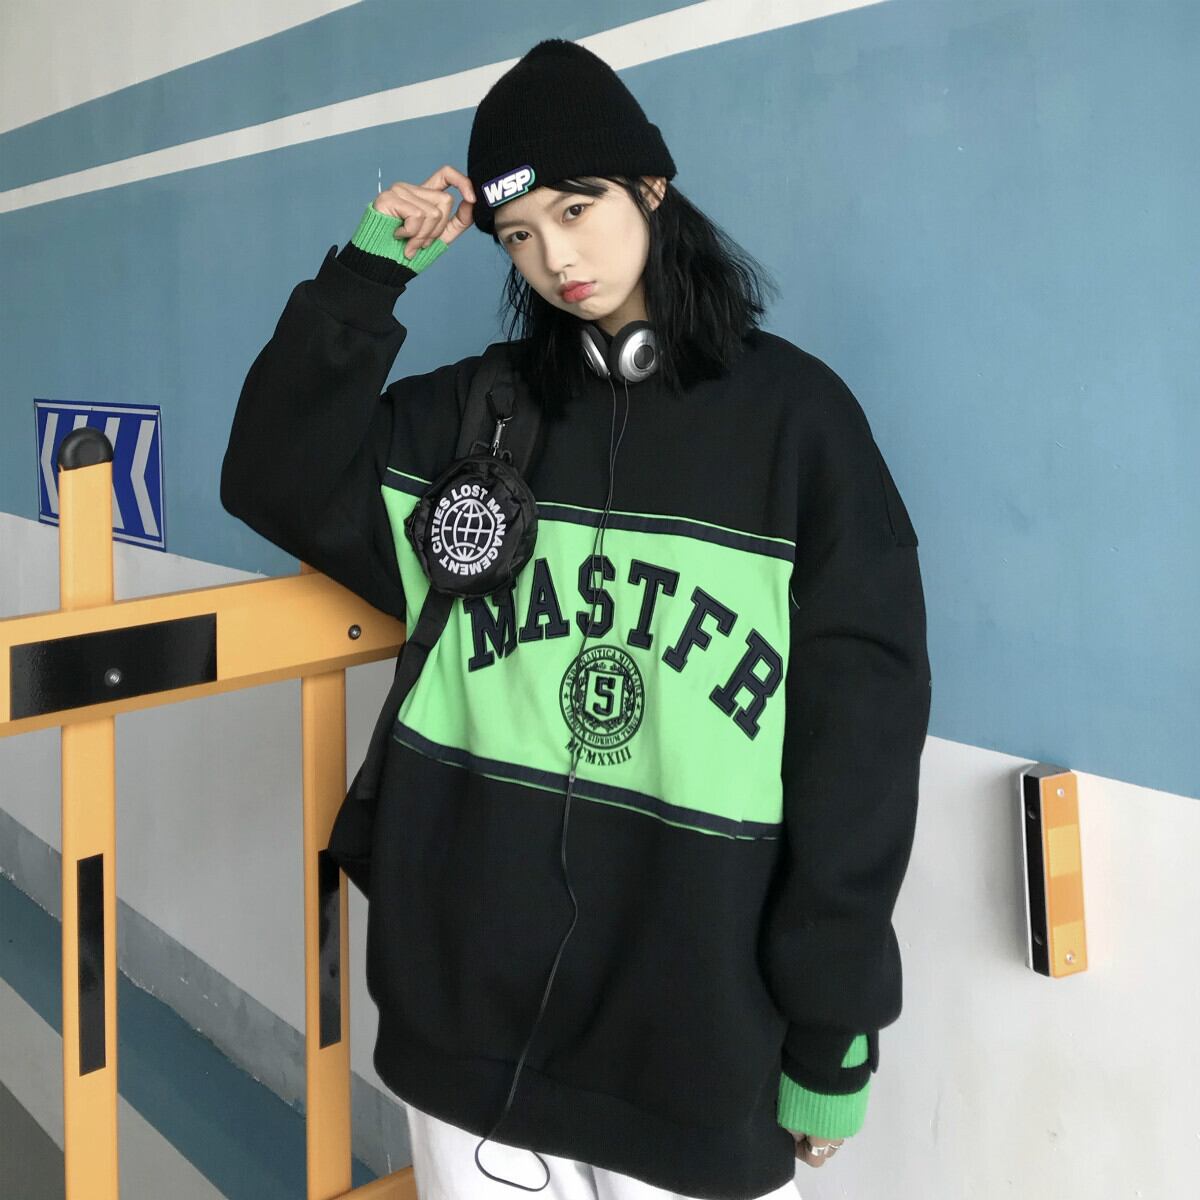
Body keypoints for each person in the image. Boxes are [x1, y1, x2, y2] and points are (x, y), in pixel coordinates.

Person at [220, 37, 931, 1200]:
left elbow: (860, 749)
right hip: (467, 1039)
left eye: (576, 208)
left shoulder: (798, 427)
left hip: (695, 1048)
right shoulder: (478, 418)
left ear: (651, 186)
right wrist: (366, 274)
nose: (555, 257)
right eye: (517, 235)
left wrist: (832, 1033)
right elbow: (274, 475)